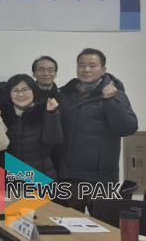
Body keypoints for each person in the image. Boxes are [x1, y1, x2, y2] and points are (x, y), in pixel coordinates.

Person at [58, 48, 138, 212]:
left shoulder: (115, 94)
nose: (86, 69)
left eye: (92, 65)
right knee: (68, 223)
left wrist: (110, 101)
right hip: (69, 175)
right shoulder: (65, 94)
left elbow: (127, 128)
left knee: (103, 224)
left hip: (101, 177)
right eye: (81, 65)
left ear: (103, 70)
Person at [1, 74, 62, 181]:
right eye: (15, 90)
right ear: (9, 94)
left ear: (34, 91)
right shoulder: (3, 115)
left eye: (25, 89)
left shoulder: (45, 111)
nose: (20, 94)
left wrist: (51, 114)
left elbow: (53, 141)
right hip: (12, 174)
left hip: (41, 175)